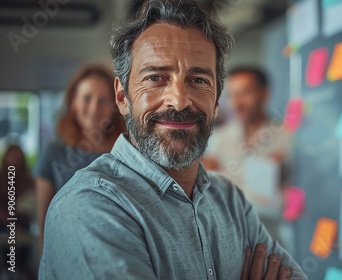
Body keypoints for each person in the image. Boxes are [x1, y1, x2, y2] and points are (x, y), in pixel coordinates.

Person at [39, 1, 307, 279]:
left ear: (216, 101)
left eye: (199, 80)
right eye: (156, 78)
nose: (178, 101)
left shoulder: (229, 200)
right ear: (122, 97)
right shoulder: (91, 205)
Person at [34, 64, 125, 256]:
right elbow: (44, 226)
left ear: (114, 106)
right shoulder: (53, 153)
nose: (94, 108)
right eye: (87, 98)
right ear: (73, 101)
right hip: (65, 255)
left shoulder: (126, 152)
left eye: (102, 100)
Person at [203, 66, 292, 242]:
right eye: (232, 95)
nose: (237, 102)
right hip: (229, 234)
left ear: (264, 94)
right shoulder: (218, 139)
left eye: (245, 93)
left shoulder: (286, 136)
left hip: (273, 234)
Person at [0, 145, 36, 280]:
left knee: (22, 260)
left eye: (18, 157)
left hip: (23, 226)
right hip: (4, 226)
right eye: (12, 156)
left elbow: (33, 205)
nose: (15, 160)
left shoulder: (28, 180)